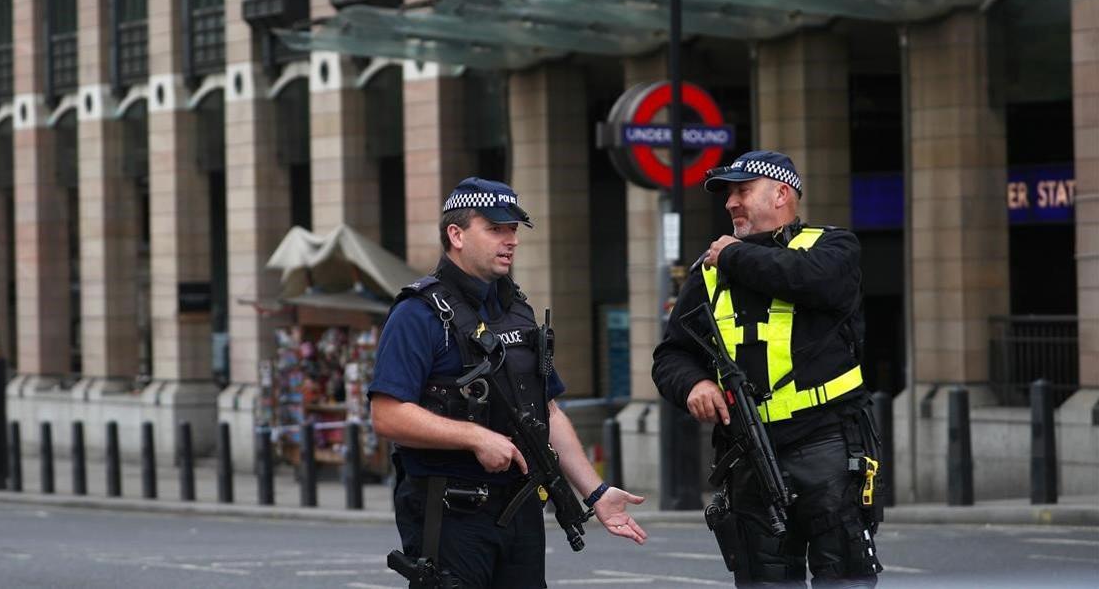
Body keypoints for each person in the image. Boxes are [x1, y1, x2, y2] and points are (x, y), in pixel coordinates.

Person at [370, 177, 647, 589]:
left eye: (514, 229)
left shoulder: (517, 309)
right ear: (456, 234)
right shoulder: (419, 313)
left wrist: (595, 492)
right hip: (452, 514)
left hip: (520, 511)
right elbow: (387, 415)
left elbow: (546, 411)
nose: (510, 240)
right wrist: (474, 437)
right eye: (496, 228)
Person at [652, 151, 883, 587]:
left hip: (828, 442)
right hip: (749, 451)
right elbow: (671, 355)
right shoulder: (711, 271)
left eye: (742, 191)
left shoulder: (832, 246)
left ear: (781, 193)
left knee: (846, 577)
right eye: (727, 195)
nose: (730, 203)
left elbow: (810, 280)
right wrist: (694, 384)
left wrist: (735, 256)